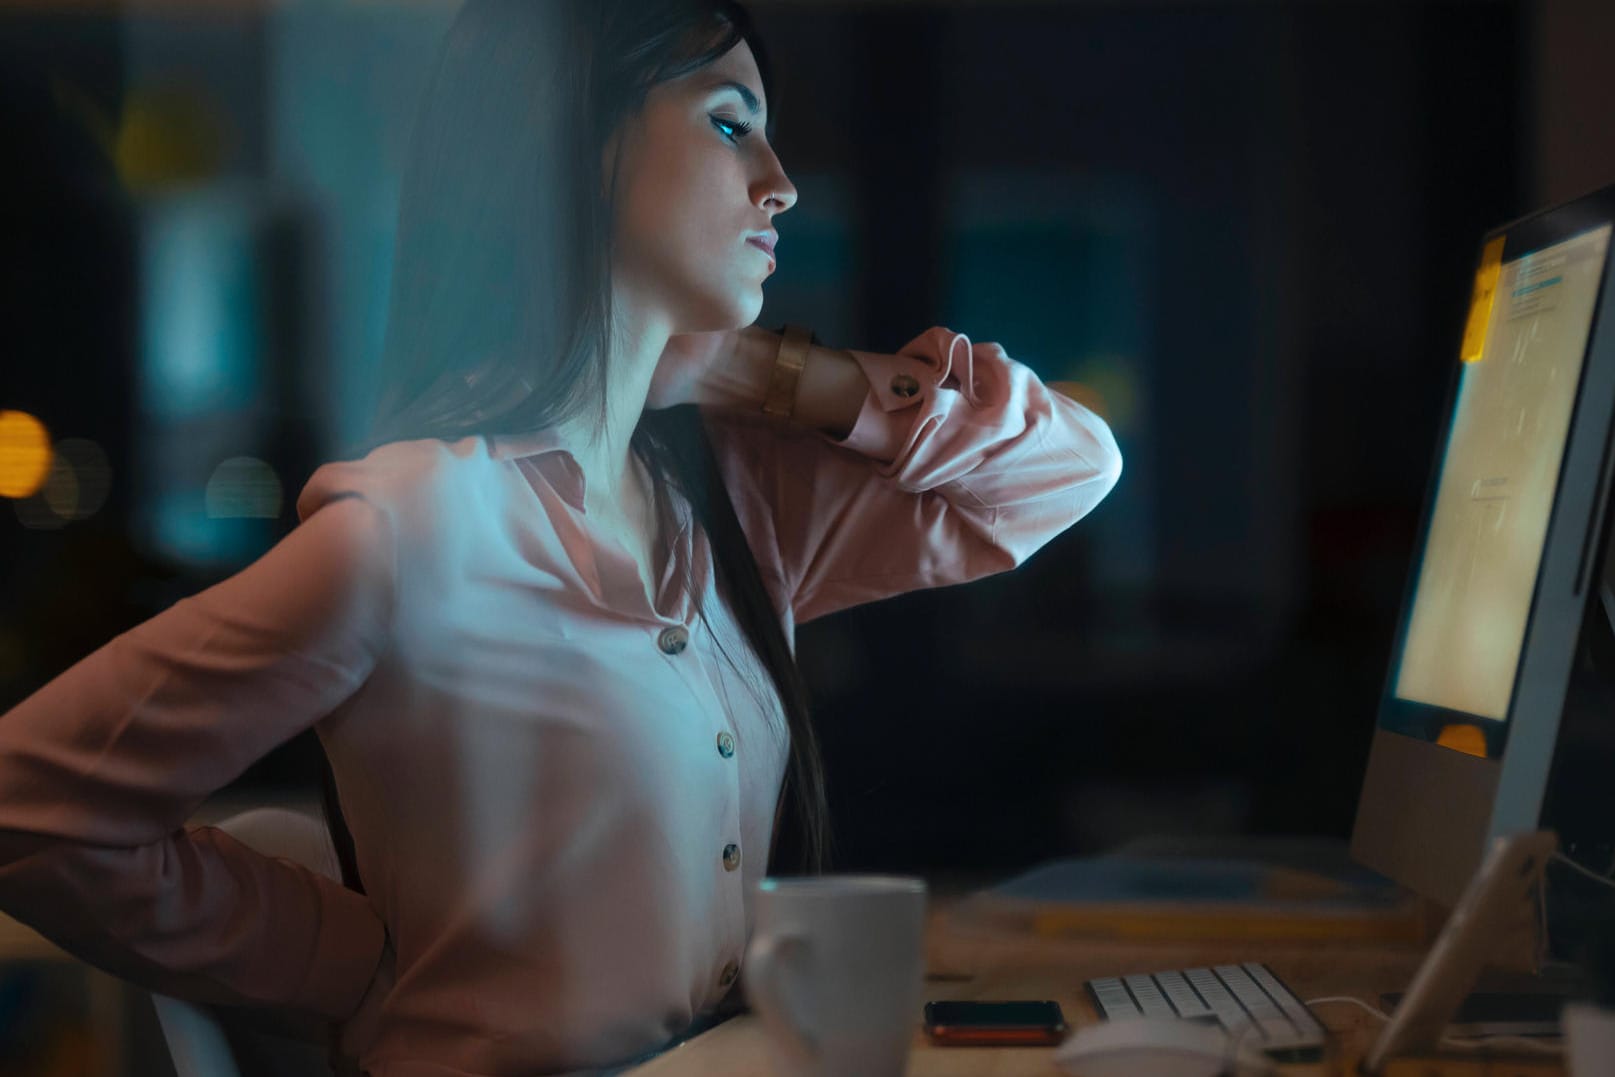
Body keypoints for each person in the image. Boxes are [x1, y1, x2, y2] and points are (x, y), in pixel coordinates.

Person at [0, 1, 1123, 1074]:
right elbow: (29, 810)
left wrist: (766, 369)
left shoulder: (724, 505)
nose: (779, 185)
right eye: (730, 125)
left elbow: (1065, 473)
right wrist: (355, 967)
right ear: (575, 148)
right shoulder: (419, 531)